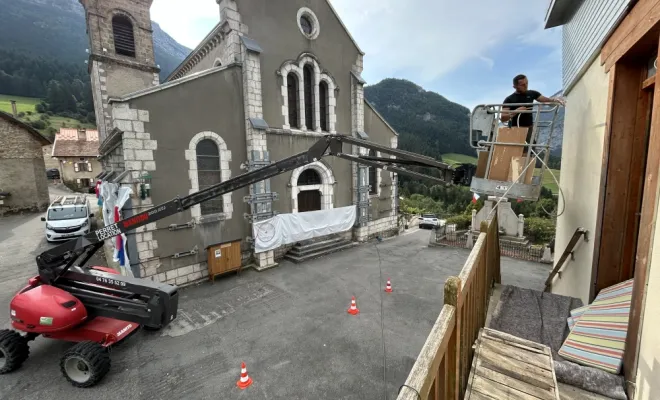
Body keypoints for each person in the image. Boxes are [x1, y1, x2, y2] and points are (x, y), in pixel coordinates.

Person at [500, 74, 565, 145]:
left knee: (530, 151)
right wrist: (516, 111)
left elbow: (546, 100)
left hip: (529, 128)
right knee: (519, 150)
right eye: (522, 85)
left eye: (526, 83)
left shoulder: (532, 93)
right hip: (516, 129)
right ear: (515, 87)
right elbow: (503, 118)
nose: (526, 86)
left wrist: (555, 100)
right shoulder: (509, 99)